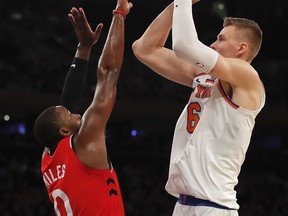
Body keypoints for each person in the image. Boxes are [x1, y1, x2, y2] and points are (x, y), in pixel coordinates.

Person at [132, 0, 265, 215]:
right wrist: (174, 5)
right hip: (185, 204)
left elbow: (185, 46)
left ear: (242, 48)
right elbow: (144, 49)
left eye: (221, 39)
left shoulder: (246, 76)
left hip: (214, 206)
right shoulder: (204, 75)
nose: (213, 44)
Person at [33, 0, 133, 215]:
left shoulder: (48, 158)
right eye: (71, 115)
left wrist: (84, 48)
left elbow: (65, 107)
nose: (77, 113)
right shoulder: (86, 139)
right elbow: (108, 73)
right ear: (64, 131)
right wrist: (119, 14)